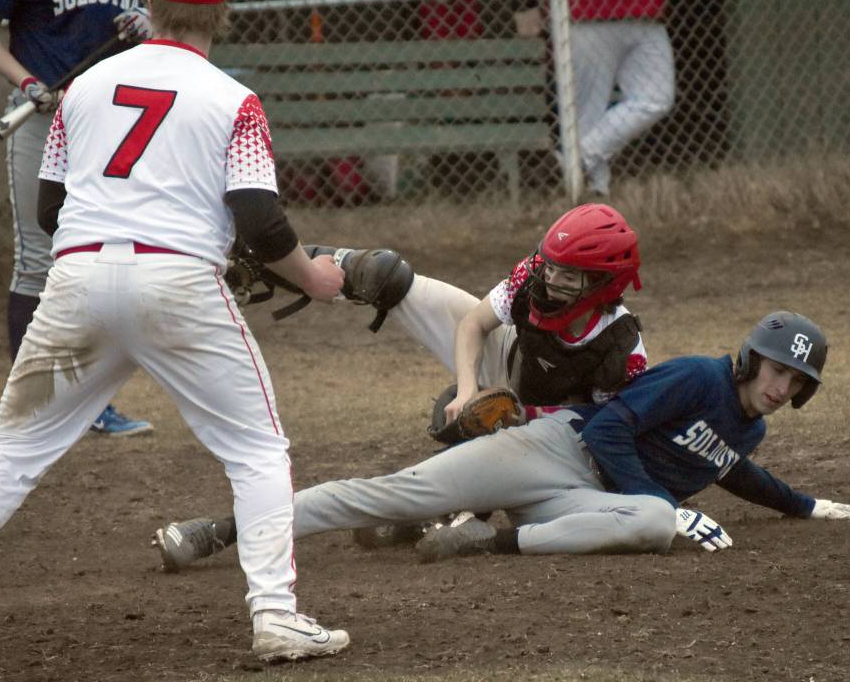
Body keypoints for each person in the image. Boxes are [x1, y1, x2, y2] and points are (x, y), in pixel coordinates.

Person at [0, 0, 351, 664]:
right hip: (178, 284)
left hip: (78, 279)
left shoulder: (81, 89)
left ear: (152, 9)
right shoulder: (235, 99)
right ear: (221, 17)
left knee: (11, 449)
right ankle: (276, 616)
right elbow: (261, 220)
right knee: (256, 450)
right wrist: (313, 279)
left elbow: (53, 208)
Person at [151, 311, 850, 574]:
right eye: (778, 369)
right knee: (395, 490)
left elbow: (733, 470)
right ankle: (216, 531)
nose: (782, 386)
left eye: (796, 380)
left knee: (654, 525)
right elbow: (615, 427)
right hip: (558, 451)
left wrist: (806, 507)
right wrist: (663, 498)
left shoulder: (750, 423)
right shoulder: (695, 378)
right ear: (751, 359)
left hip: (580, 502)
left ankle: (481, 541)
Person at [153, 203, 652, 569]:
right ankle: (296, 265)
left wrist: (509, 427)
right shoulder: (534, 276)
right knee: (389, 276)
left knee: (389, 492)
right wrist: (466, 391)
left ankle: (227, 530)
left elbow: (607, 438)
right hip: (515, 369)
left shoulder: (621, 349)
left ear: (605, 285)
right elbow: (474, 324)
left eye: (569, 278)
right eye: (551, 267)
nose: (550, 282)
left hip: (557, 447)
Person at [0, 0, 154, 435]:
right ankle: (30, 410)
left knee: (112, 255)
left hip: (119, 117)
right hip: (43, 115)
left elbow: (185, 17)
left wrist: (153, 22)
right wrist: (26, 81)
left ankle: (90, 406)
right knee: (37, 261)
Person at [568, 0, 676, 196]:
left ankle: (581, 158)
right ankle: (596, 189)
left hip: (646, 16)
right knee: (589, 110)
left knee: (657, 98)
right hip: (590, 16)